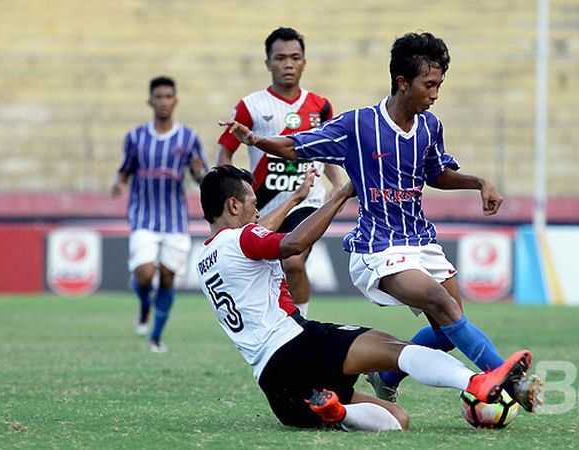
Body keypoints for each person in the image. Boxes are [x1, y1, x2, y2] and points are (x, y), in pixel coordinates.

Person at [219, 31, 542, 412]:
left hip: (421, 241)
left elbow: (435, 173)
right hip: (379, 245)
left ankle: (387, 377)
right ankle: (506, 379)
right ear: (403, 83)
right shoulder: (358, 125)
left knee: (449, 329)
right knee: (442, 304)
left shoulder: (429, 126)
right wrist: (256, 141)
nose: (435, 94)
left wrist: (479, 183)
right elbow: (295, 145)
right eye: (429, 85)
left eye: (439, 85)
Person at [195, 164, 535, 431]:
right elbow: (291, 244)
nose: (257, 212)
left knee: (397, 419)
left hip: (277, 387)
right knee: (397, 351)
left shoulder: (206, 257)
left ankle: (339, 411)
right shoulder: (243, 239)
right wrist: (341, 195)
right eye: (253, 204)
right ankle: (477, 381)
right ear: (233, 204)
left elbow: (256, 233)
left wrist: (296, 198)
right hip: (297, 345)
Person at [217, 27, 342, 318]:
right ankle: (275, 328)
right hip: (262, 204)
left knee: (294, 261)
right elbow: (226, 149)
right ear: (267, 63)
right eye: (281, 57)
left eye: (295, 57)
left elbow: (329, 149)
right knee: (263, 273)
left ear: (304, 62)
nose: (288, 64)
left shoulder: (320, 106)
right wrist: (230, 187)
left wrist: (335, 183)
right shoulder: (250, 106)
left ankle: (301, 326)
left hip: (308, 199)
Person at [111, 76, 208, 353]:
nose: (164, 101)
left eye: (168, 96)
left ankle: (155, 337)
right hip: (143, 218)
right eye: (159, 97)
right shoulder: (135, 137)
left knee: (167, 277)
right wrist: (119, 183)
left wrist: (200, 172)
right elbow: (126, 169)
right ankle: (144, 306)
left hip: (175, 221)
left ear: (175, 100)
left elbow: (200, 174)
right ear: (150, 101)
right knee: (144, 274)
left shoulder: (188, 138)